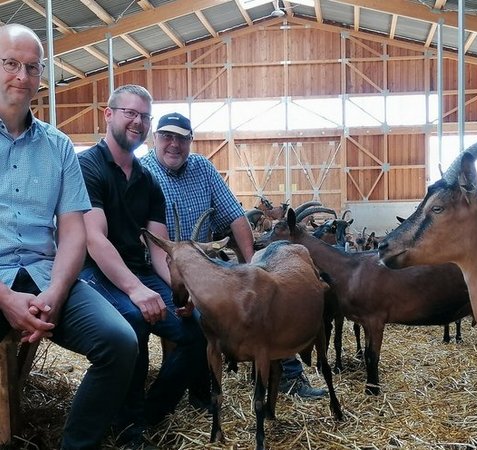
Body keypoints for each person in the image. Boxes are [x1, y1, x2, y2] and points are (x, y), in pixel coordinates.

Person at [0, 24, 139, 450]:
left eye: (32, 67)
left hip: (47, 274)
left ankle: (76, 444)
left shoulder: (59, 146)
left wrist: (56, 294)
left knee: (120, 342)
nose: (22, 76)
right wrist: (3, 297)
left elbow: (74, 231)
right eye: (10, 63)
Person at [140, 112, 326, 399]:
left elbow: (236, 217)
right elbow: (153, 245)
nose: (174, 144)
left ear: (191, 141)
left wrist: (255, 263)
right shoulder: (143, 173)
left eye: (182, 138)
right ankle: (184, 393)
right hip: (163, 268)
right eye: (167, 136)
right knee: (204, 317)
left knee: (263, 301)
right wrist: (190, 288)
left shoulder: (202, 167)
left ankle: (288, 374)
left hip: (208, 261)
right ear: (155, 138)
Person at [77, 86, 207, 447]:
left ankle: (149, 412)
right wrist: (136, 290)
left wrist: (182, 289)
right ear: (109, 114)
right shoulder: (88, 167)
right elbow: (94, 240)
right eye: (130, 113)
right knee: (133, 322)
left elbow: (159, 246)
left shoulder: (147, 180)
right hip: (94, 272)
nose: (138, 122)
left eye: (144, 117)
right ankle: (128, 428)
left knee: (195, 329)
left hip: (138, 271)